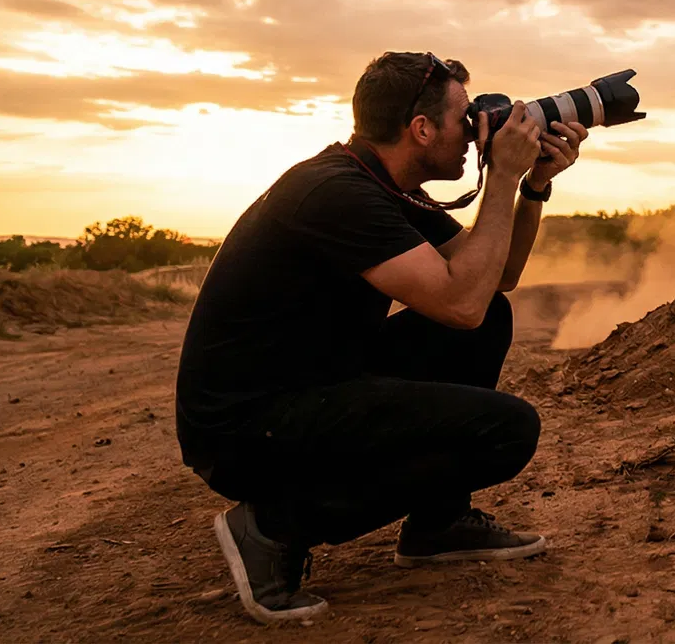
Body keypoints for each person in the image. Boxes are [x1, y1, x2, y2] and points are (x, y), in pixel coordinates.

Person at [174, 51, 588, 624]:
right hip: (246, 426)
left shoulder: (381, 181)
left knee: (493, 313)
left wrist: (531, 187)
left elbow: (495, 280)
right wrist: (503, 175)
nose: (476, 133)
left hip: (312, 384)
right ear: (420, 129)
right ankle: (272, 526)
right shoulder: (334, 192)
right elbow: (459, 304)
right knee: (507, 430)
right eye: (464, 117)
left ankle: (437, 522)